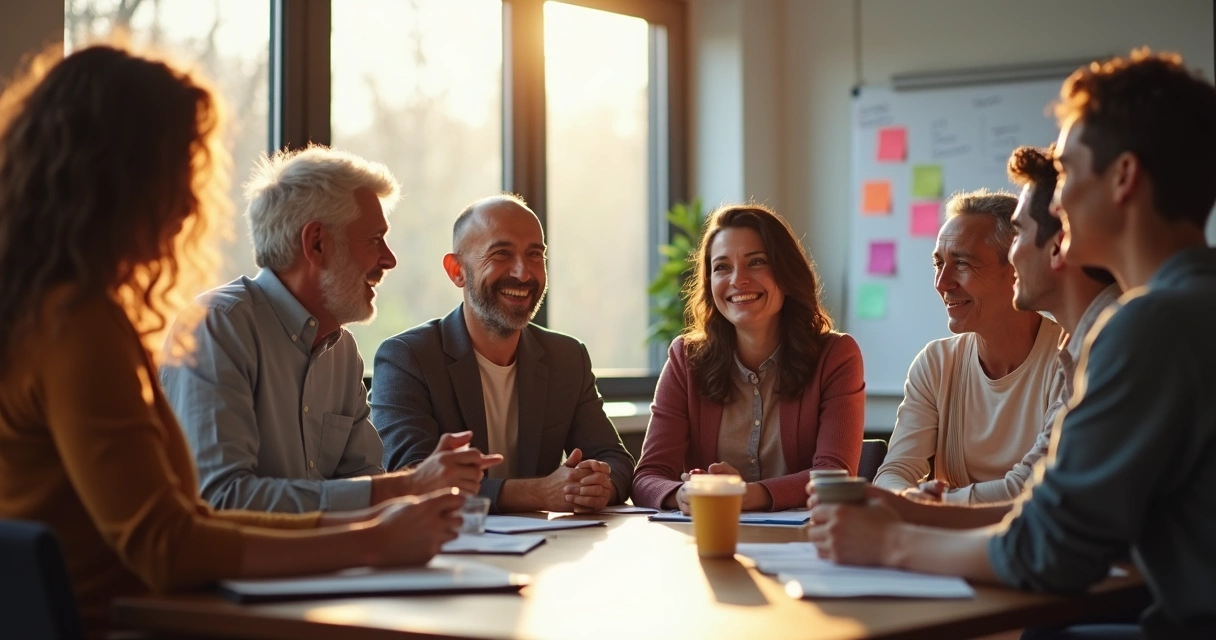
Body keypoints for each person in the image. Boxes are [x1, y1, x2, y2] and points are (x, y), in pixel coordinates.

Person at [0, 45, 463, 638]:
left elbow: (188, 520)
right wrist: (371, 542)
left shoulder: (51, 310)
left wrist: (375, 527)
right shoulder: (79, 326)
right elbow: (169, 545)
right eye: (183, 172)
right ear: (122, 177)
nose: (193, 203)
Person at [807, 49, 1216, 638]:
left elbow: (1052, 549)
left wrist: (892, 541)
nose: (1059, 199)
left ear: (1124, 177)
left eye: (1070, 172)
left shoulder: (1148, 327)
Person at [160, 146, 501, 513]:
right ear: (317, 243)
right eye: (374, 240)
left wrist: (427, 495)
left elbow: (364, 482)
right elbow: (222, 500)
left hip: (329, 566)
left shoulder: (342, 351)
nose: (389, 259)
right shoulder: (216, 327)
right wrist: (411, 484)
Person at [371, 194, 634, 514]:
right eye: (501, 254)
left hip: (547, 552)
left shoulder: (567, 357)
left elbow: (614, 459)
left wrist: (596, 485)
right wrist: (537, 493)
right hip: (448, 552)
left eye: (535, 255)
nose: (523, 273)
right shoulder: (406, 358)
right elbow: (413, 478)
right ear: (457, 271)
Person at [632, 204, 865, 513]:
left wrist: (744, 495)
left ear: (786, 272)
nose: (737, 280)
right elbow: (647, 477)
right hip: (711, 538)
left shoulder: (836, 356)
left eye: (756, 262)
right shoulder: (685, 358)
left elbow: (834, 474)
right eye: (722, 267)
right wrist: (684, 494)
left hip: (806, 546)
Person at [872, 190, 1063, 504]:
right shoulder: (936, 363)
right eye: (938, 264)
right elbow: (893, 473)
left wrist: (936, 504)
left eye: (961, 263)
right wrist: (905, 496)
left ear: (1016, 268)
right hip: (948, 539)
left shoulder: (1068, 358)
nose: (942, 282)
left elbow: (1032, 488)